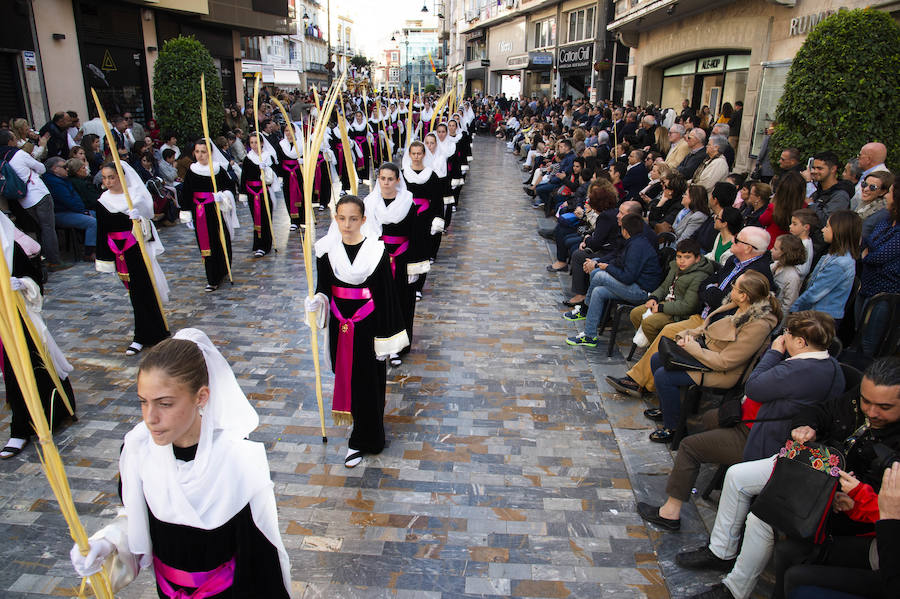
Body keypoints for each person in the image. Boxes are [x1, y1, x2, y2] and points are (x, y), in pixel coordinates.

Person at [68, 330, 292, 597]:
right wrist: (108, 542)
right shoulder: (139, 450)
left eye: (165, 403)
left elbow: (261, 559)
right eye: (143, 402)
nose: (150, 418)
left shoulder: (237, 462)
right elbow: (140, 516)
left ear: (201, 397)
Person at [678, 356, 900, 599]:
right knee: (737, 476)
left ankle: (734, 589)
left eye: (884, 407)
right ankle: (721, 552)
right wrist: (807, 425)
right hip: (812, 467)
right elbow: (821, 411)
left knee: (761, 517)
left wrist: (849, 495)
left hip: (841, 500)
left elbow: (883, 504)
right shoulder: (858, 397)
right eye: (866, 401)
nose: (871, 411)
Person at [638, 310, 840, 529]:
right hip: (759, 422)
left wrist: (773, 353)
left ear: (800, 342)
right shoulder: (833, 367)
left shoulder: (796, 369)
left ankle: (670, 513)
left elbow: (754, 387)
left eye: (787, 333)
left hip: (761, 436)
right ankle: (705, 465)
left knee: (689, 447)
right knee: (709, 419)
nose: (783, 337)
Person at [607, 226, 775, 397]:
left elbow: (725, 302)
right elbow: (708, 283)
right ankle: (645, 376)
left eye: (737, 240)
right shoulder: (734, 260)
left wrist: (712, 293)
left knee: (668, 331)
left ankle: (640, 382)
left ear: (748, 247)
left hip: (716, 325)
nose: (733, 240)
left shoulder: (758, 273)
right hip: (705, 313)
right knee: (644, 318)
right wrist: (711, 291)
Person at [305, 196, 409, 468]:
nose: (347, 224)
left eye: (353, 219)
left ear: (363, 220)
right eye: (341, 218)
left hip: (368, 326)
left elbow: (386, 296)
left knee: (369, 382)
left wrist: (386, 338)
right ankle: (357, 431)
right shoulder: (326, 251)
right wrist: (318, 300)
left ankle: (365, 438)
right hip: (340, 326)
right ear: (335, 219)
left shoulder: (377, 252)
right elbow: (325, 287)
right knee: (348, 379)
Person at [647, 270, 781, 443]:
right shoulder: (738, 306)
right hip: (706, 353)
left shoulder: (758, 325)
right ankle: (668, 408)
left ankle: (673, 427)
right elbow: (707, 329)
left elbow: (726, 362)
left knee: (664, 376)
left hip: (722, 371)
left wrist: (693, 348)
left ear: (744, 296)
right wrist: (688, 335)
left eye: (734, 286)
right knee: (657, 359)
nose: (730, 289)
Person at [0, 212, 76, 459]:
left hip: (17, 318)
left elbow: (34, 280)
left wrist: (21, 284)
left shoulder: (11, 250)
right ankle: (20, 427)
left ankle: (29, 424)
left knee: (30, 366)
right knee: (12, 373)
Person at [95, 163, 170, 355]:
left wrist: (139, 219)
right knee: (134, 293)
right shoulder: (103, 200)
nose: (107, 182)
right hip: (118, 251)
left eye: (111, 177)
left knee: (142, 291)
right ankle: (151, 331)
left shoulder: (134, 198)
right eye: (104, 178)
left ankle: (143, 336)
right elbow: (102, 230)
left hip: (136, 249)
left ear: (122, 177)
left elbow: (149, 224)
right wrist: (105, 257)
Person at [362, 163, 430, 367]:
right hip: (379, 259)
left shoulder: (407, 203)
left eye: (390, 179)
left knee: (402, 302)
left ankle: (399, 347)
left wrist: (414, 267)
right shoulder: (370, 203)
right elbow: (365, 234)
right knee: (380, 302)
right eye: (382, 178)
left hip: (402, 258)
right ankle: (382, 343)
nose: (385, 183)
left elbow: (416, 235)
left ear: (398, 180)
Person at [565, 213, 662, 347]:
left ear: (625, 231)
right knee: (598, 291)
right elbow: (618, 260)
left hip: (642, 292)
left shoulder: (637, 246)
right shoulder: (633, 241)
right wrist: (598, 262)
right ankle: (589, 335)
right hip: (634, 285)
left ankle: (585, 307)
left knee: (599, 275)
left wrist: (605, 267)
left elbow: (627, 277)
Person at [0, 129, 67, 270]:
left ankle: (43, 256)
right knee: (48, 228)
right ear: (10, 141)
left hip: (22, 198)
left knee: (39, 228)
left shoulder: (3, 157)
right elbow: (41, 168)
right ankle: (54, 261)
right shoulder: (18, 154)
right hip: (37, 193)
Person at [630, 238, 715, 349]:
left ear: (697, 258)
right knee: (635, 313)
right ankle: (651, 344)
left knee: (649, 323)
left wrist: (661, 307)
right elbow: (664, 287)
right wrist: (654, 298)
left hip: (679, 315)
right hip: (666, 303)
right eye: (679, 257)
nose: (682, 261)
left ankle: (658, 349)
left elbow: (688, 306)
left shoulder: (700, 276)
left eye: (687, 257)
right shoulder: (675, 267)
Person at [178, 142, 238, 293]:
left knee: (220, 240)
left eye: (203, 151)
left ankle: (223, 269)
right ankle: (212, 278)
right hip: (200, 213)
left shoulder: (217, 170)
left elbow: (230, 187)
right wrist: (187, 214)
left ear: (210, 153)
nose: (200, 155)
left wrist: (223, 196)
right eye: (197, 151)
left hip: (216, 211)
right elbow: (186, 194)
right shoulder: (192, 171)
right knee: (206, 245)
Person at [790, 210, 861, 324]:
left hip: (821, 319)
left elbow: (815, 292)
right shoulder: (832, 255)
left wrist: (794, 309)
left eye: (827, 226)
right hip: (815, 314)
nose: (823, 229)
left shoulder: (840, 263)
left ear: (839, 231)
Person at [856, 181, 899, 356]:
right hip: (867, 285)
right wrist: (871, 251)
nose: (885, 195)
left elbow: (879, 256)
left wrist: (869, 253)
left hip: (884, 293)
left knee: (869, 342)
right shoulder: (886, 220)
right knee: (858, 332)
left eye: (889, 192)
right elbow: (866, 241)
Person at [402, 141, 445, 301]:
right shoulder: (403, 174)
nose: (416, 157)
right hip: (407, 219)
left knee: (422, 251)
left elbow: (437, 200)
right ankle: (407, 284)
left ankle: (418, 286)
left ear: (424, 154)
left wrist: (437, 220)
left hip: (425, 218)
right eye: (413, 153)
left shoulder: (431, 175)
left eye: (419, 153)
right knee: (407, 252)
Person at [41, 156, 97, 261]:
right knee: (92, 222)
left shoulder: (62, 179)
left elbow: (74, 197)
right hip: (61, 213)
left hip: (72, 210)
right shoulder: (53, 182)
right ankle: (89, 253)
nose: (67, 169)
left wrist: (83, 210)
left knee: (96, 214)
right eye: (64, 167)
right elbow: (67, 200)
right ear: (55, 168)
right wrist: (82, 211)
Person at [240, 134, 276, 257]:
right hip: (251, 192)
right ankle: (258, 244)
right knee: (256, 218)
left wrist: (265, 169)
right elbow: (243, 177)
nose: (254, 145)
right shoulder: (247, 159)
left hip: (263, 191)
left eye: (256, 142)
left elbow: (273, 176)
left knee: (265, 217)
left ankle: (266, 245)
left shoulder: (267, 157)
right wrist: (243, 193)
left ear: (261, 143)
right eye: (252, 142)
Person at [760, 170, 807, 249]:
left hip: (771, 246)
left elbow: (762, 220)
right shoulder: (805, 208)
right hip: (790, 248)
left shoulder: (774, 207)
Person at [809, 151, 853, 224]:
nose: (814, 171)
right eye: (813, 168)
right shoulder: (817, 191)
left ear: (833, 169)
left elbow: (828, 221)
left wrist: (811, 205)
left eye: (819, 168)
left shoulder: (841, 195)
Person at [770, 234, 806, 315]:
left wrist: (780, 324)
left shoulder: (792, 277)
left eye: (775, 249)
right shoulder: (775, 265)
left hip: (777, 315)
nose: (771, 250)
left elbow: (788, 304)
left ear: (784, 254)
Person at [857, 170, 893, 240]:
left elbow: (863, 236)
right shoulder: (862, 204)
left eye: (872, 187)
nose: (865, 189)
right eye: (864, 184)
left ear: (882, 192)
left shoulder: (882, 213)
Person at [788, 208, 818, 278]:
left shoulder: (805, 245)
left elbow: (803, 270)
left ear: (806, 227)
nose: (790, 226)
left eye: (794, 224)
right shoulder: (799, 242)